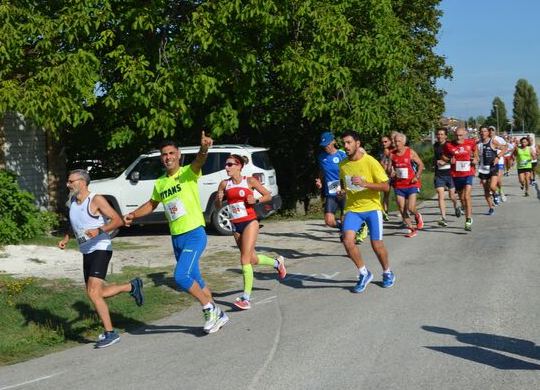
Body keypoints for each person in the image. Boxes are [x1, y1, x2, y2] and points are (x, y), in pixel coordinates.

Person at [123, 132, 229, 334]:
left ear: (179, 155)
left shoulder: (188, 172)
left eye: (171, 153)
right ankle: (218, 314)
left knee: (181, 277)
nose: (168, 157)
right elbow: (152, 204)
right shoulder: (161, 183)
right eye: (164, 154)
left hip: (195, 234)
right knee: (196, 279)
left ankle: (208, 308)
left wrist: (204, 149)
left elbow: (199, 160)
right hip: (177, 238)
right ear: (161, 158)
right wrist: (134, 215)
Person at [58, 169, 144, 348]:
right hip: (86, 251)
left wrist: (98, 231)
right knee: (97, 293)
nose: (68, 184)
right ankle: (132, 286)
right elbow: (75, 225)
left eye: (70, 181)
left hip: (101, 248)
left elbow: (117, 220)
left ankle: (110, 333)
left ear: (82, 182)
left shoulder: (95, 199)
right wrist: (66, 239)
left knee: (92, 293)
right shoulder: (73, 201)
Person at [215, 154, 286, 310]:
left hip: (250, 222)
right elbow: (217, 205)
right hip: (235, 225)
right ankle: (277, 263)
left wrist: (257, 200)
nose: (226, 167)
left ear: (239, 166)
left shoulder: (250, 181)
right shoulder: (223, 184)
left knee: (244, 260)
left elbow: (268, 195)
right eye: (226, 165)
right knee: (252, 258)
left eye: (230, 164)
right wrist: (218, 199)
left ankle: (246, 298)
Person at [338, 130, 394, 293]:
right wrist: (342, 191)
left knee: (376, 245)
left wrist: (365, 183)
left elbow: (385, 186)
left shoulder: (370, 162)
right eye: (344, 143)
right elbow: (345, 183)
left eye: (349, 142)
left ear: (357, 143)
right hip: (353, 209)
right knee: (348, 241)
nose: (346, 146)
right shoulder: (342, 165)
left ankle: (387, 272)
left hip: (372, 208)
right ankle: (364, 273)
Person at [442, 127, 479, 231]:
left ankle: (468, 220)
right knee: (462, 198)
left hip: (468, 173)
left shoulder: (470, 143)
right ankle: (466, 210)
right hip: (456, 175)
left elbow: (476, 151)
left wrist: (475, 158)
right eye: (456, 135)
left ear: (465, 135)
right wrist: (449, 159)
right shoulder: (449, 145)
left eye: (460, 135)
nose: (458, 137)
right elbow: (443, 156)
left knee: (467, 197)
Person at [389, 132, 425, 238]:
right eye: (395, 141)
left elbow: (421, 164)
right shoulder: (392, 154)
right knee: (401, 208)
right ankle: (412, 229)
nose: (396, 143)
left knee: (410, 207)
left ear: (403, 142)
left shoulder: (410, 152)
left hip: (411, 183)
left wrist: (417, 176)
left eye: (398, 141)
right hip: (399, 184)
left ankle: (417, 215)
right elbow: (389, 168)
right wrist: (391, 172)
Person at [315, 132, 348, 230]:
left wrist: (345, 188)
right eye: (323, 145)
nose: (326, 147)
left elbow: (349, 173)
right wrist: (319, 180)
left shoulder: (342, 155)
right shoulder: (321, 157)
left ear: (333, 142)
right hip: (331, 192)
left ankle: (347, 234)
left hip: (343, 191)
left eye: (328, 144)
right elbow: (322, 170)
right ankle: (344, 229)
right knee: (329, 221)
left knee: (344, 218)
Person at [478, 126, 506, 215]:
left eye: (485, 131)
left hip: (493, 167)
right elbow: (475, 155)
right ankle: (491, 208)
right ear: (479, 133)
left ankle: (495, 193)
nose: (483, 133)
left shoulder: (493, 141)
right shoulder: (478, 144)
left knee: (492, 186)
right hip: (483, 168)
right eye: (481, 131)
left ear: (488, 133)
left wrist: (498, 157)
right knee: (486, 190)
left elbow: (505, 148)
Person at [432, 128, 458, 226]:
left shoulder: (450, 145)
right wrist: (436, 162)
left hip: (450, 174)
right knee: (440, 195)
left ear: (446, 136)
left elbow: (454, 157)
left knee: (452, 196)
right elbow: (434, 159)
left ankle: (456, 206)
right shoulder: (435, 146)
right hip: (439, 174)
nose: (440, 136)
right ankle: (444, 217)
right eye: (438, 134)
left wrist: (445, 161)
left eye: (442, 134)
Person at [488, 126, 508, 202]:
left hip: (499, 161)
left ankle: (501, 191)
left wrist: (500, 152)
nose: (491, 131)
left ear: (495, 131)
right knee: (490, 180)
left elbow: (506, 146)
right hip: (489, 162)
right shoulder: (486, 139)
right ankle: (494, 192)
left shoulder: (499, 139)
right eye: (489, 130)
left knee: (498, 178)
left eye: (492, 130)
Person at [379, 135, 393, 221]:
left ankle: (403, 211)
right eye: (382, 142)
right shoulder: (383, 151)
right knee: (386, 194)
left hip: (395, 174)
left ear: (390, 141)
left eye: (385, 141)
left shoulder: (394, 150)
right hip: (387, 175)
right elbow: (381, 162)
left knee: (399, 194)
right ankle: (385, 212)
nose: (384, 144)